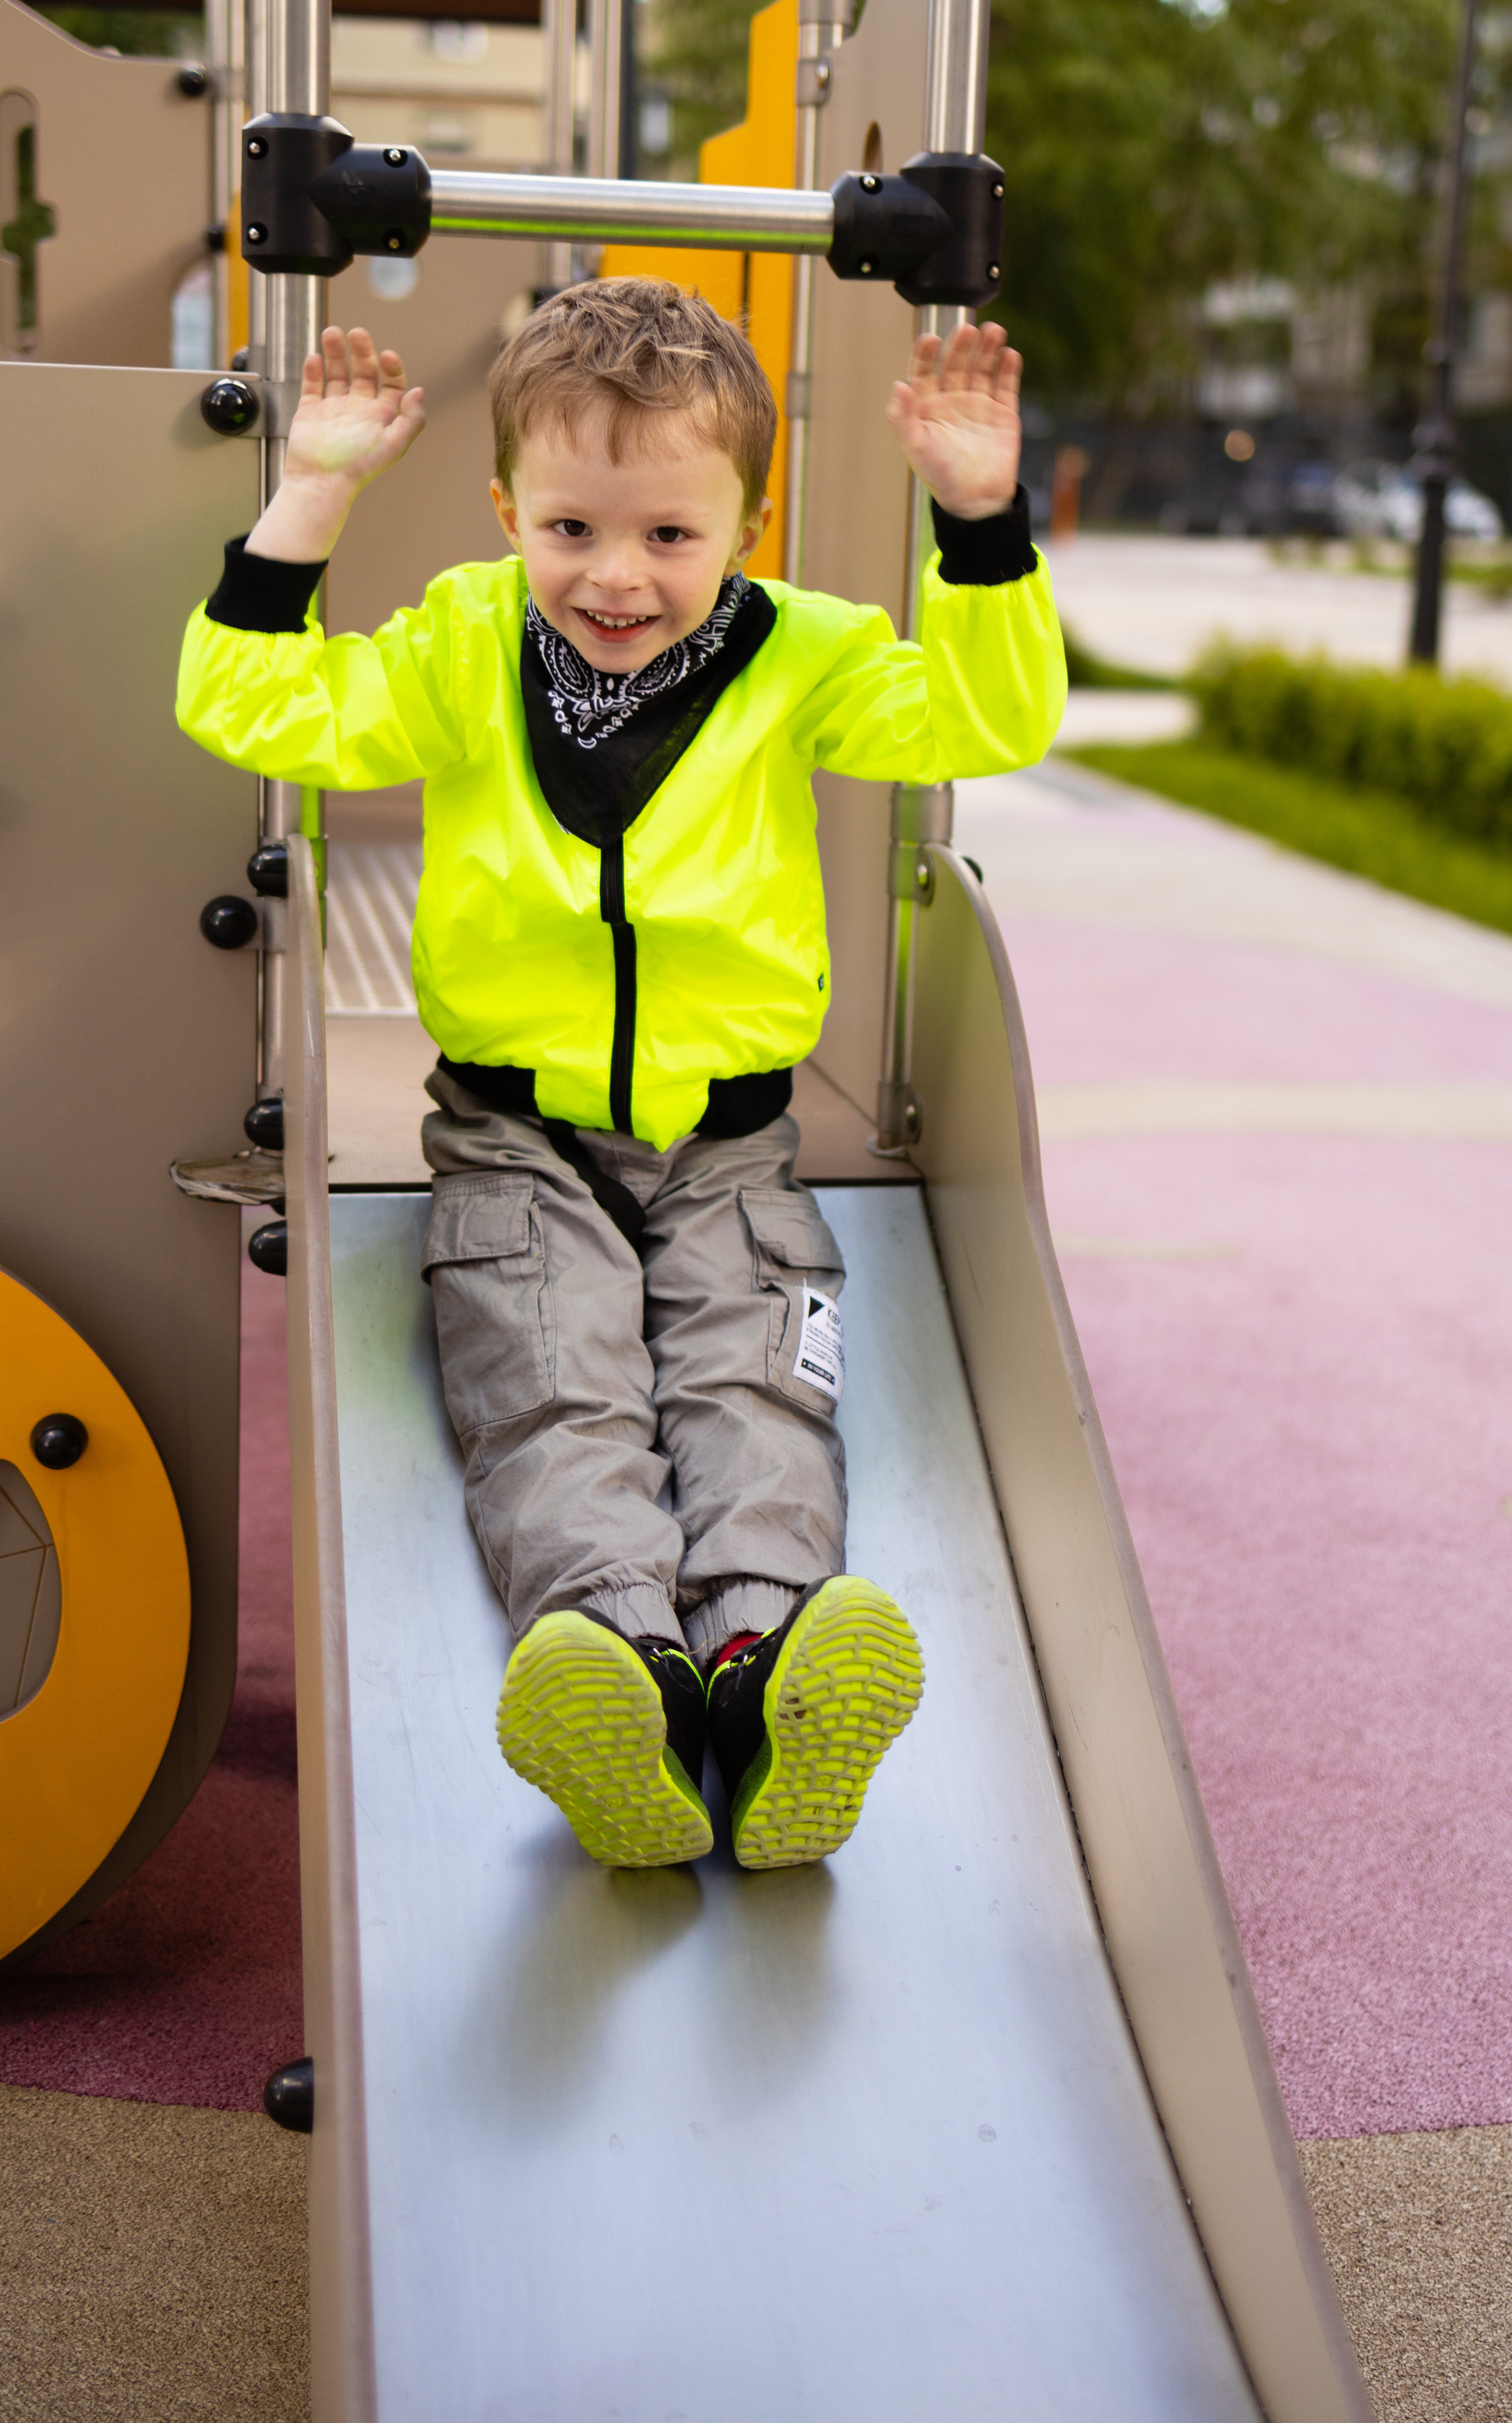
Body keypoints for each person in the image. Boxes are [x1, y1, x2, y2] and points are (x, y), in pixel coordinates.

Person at [177, 278, 1064, 1872]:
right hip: (517, 1140)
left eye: (669, 535)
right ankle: (624, 1682)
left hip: (733, 1146)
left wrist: (978, 523)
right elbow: (245, 701)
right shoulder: (460, 646)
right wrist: (312, 493)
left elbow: (986, 720)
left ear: (749, 522)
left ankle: (769, 1670)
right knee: (554, 1390)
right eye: (572, 528)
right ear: (508, 508)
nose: (615, 575)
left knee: (753, 1387)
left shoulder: (801, 657)